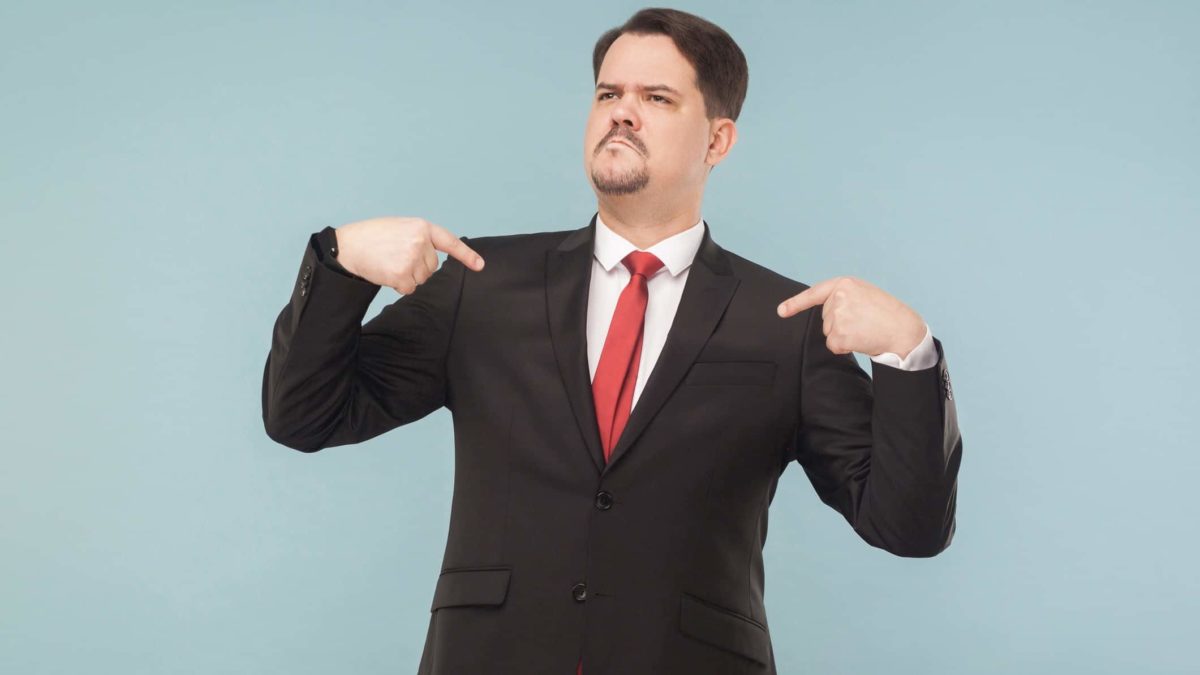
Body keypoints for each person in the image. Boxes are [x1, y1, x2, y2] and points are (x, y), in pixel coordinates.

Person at [262, 7, 961, 675]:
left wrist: (908, 351)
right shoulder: (481, 283)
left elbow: (908, 525)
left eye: (656, 97)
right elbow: (305, 414)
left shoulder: (788, 321)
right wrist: (339, 260)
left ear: (718, 140)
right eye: (608, 93)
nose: (621, 111)